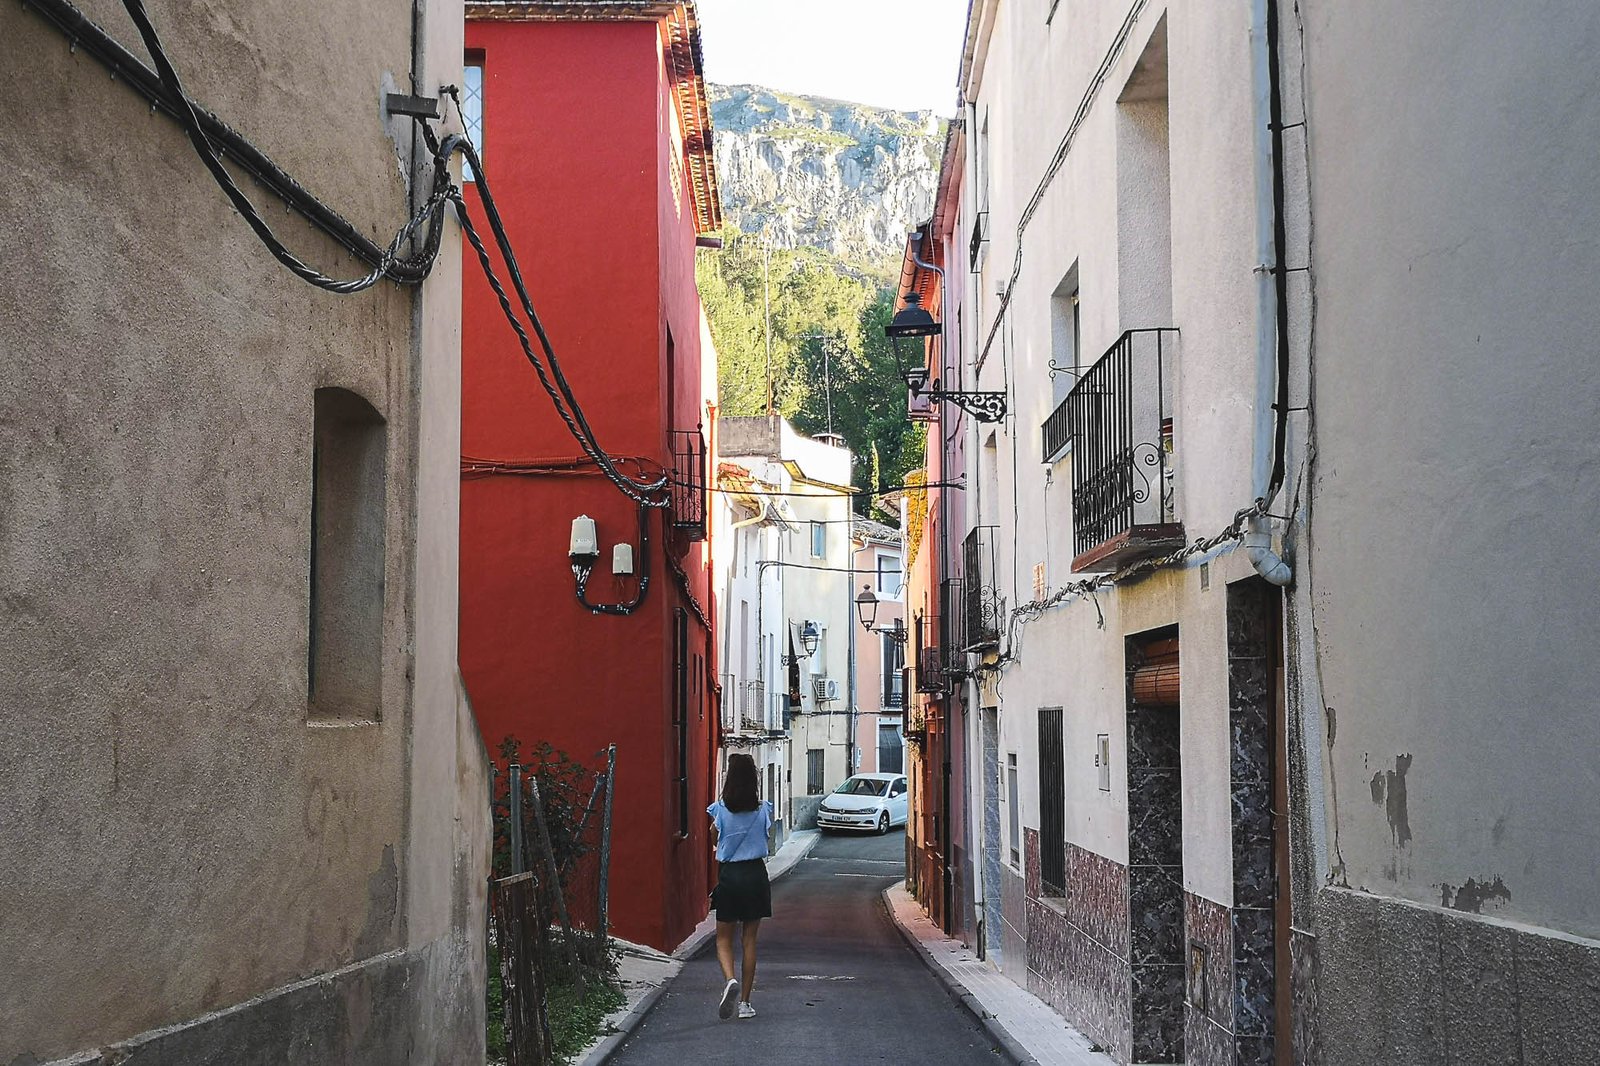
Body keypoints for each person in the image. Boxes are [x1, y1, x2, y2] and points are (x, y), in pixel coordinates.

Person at [706, 753, 773, 1020]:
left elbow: (714, 837)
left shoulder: (719, 809)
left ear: (729, 779)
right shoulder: (764, 809)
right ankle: (745, 1003)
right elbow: (766, 836)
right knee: (749, 941)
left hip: (730, 876)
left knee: (723, 939)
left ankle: (729, 980)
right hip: (756, 875)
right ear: (754, 779)